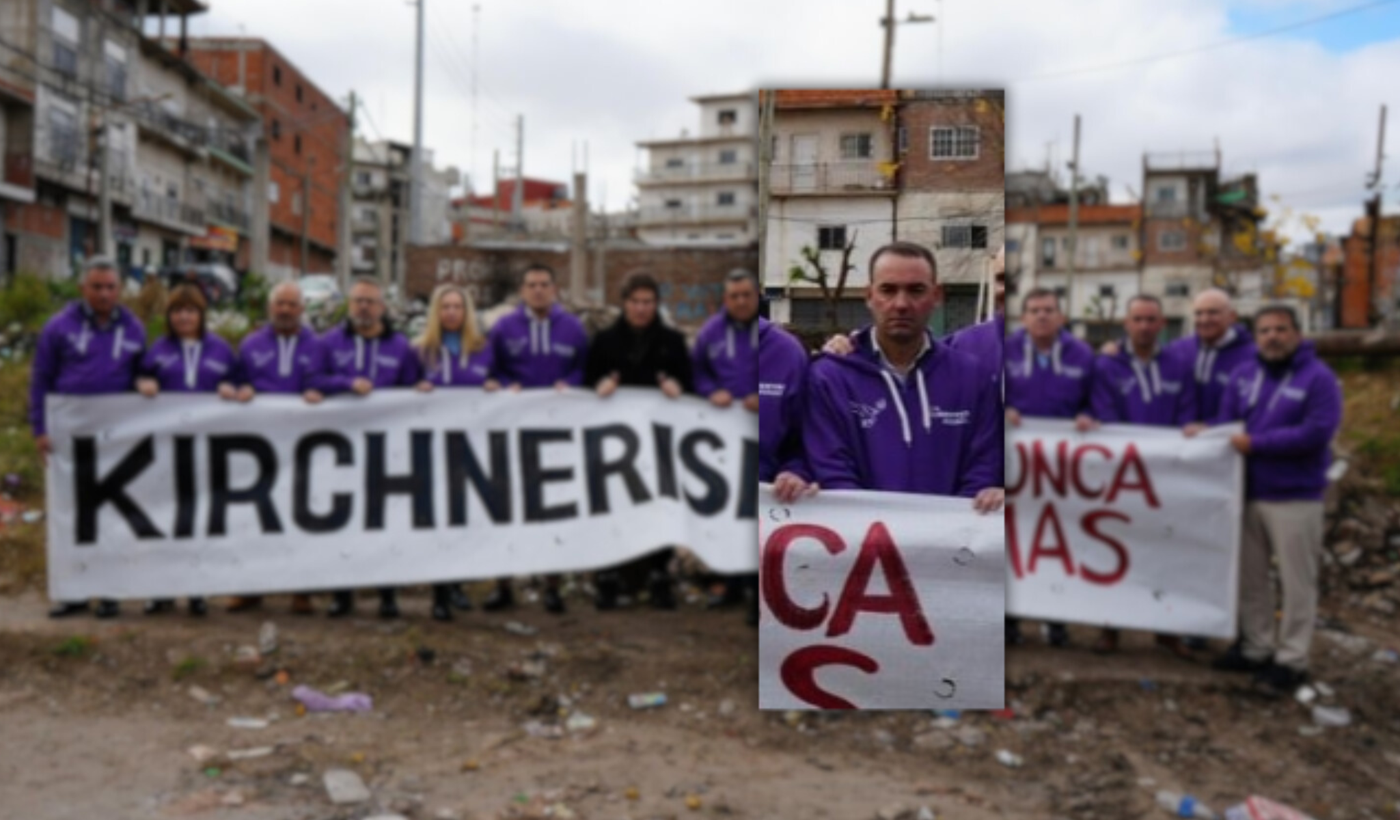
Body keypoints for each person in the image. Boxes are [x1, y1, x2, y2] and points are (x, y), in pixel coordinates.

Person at [1193, 306, 1341, 693]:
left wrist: (1257, 444)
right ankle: (1256, 646)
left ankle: (1292, 658)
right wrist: (1204, 432)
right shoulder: (1244, 375)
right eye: (1264, 330)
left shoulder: (1319, 379)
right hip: (1245, 494)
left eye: (1280, 329)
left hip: (1295, 496)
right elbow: (1227, 423)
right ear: (1255, 336)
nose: (1272, 336)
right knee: (1251, 577)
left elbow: (1316, 432)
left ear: (1297, 332)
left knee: (1296, 582)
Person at [803, 241, 1003, 510]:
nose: (901, 304)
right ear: (869, 295)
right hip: (863, 545)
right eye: (888, 289)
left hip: (953, 546)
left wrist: (952, 530)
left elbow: (983, 468)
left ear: (937, 295)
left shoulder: (974, 376)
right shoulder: (828, 377)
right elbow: (832, 472)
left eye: (916, 290)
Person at [30, 256, 147, 619]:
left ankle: (110, 591)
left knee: (112, 515)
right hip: (69, 436)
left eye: (111, 287)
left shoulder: (134, 328)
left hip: (115, 436)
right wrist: (39, 429)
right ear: (83, 288)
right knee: (72, 514)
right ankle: (75, 592)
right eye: (97, 286)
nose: (104, 294)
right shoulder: (58, 327)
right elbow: (41, 379)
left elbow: (143, 373)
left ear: (120, 290)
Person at [1088, 294, 1197, 655]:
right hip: (1121, 475)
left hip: (1165, 476)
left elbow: (1187, 413)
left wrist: (1174, 450)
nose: (1145, 326)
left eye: (1152, 319)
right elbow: (1104, 413)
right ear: (1126, 323)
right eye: (1138, 319)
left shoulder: (1179, 365)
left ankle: (1166, 629)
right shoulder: (1107, 366)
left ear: (1162, 324)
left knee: (1164, 552)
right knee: (1115, 551)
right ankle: (1111, 627)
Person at [482, 263, 588, 614]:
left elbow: (585, 370)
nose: (538, 290)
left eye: (544, 284)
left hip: (558, 436)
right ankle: (503, 584)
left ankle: (552, 587)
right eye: (532, 285)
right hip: (513, 433)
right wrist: (499, 384)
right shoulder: (504, 328)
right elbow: (489, 369)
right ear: (523, 291)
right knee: (508, 508)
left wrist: (569, 385)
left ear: (554, 289)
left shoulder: (572, 329)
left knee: (553, 510)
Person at [584, 272, 694, 610]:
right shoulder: (604, 341)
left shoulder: (673, 342)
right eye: (635, 302)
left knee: (659, 508)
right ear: (625, 303)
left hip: (658, 443)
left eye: (648, 302)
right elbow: (585, 387)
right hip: (613, 445)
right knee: (612, 508)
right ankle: (608, 575)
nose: (642, 308)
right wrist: (598, 390)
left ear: (656, 304)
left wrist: (679, 391)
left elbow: (691, 389)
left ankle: (660, 576)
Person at [225, 280, 334, 615]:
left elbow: (326, 380)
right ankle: (251, 588)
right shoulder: (251, 343)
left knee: (300, 516)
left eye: (292, 304)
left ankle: (301, 590)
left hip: (302, 446)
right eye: (280, 304)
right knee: (254, 517)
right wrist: (240, 388)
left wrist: (320, 392)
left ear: (302, 310)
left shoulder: (317, 345)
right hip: (259, 447)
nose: (285, 310)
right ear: (270, 308)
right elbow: (236, 378)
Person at [135, 284, 243, 617]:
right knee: (162, 518)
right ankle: (160, 589)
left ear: (201, 315)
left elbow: (242, 384)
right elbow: (137, 379)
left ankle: (197, 588)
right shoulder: (158, 350)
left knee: (198, 519)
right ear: (169, 316)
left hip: (205, 450)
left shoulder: (221, 350)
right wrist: (141, 384)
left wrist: (234, 389)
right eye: (177, 311)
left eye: (191, 310)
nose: (184, 316)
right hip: (165, 450)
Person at [320, 276, 422, 619]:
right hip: (342, 448)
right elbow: (313, 379)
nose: (364, 307)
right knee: (343, 520)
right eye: (358, 301)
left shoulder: (401, 346)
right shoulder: (330, 342)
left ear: (382, 307)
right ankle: (342, 592)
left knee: (385, 521)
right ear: (349, 305)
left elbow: (411, 385)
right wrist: (346, 383)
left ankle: (387, 592)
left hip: (386, 447)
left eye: (370, 301)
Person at [1004, 286, 1097, 648]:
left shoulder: (1083, 355)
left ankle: (1056, 619)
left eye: (1048, 310)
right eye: (1034, 310)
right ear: (1023, 317)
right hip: (1017, 468)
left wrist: (1090, 416)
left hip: (1064, 470)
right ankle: (1010, 620)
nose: (1042, 316)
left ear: (1061, 316)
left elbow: (1098, 401)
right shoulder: (1006, 351)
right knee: (1016, 545)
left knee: (1060, 545)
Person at [413, 283, 500, 621]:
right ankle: (438, 592)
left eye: (457, 307)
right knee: (438, 519)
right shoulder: (420, 351)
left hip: (472, 449)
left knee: (466, 517)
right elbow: (397, 393)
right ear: (436, 312)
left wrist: (497, 387)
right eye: (445, 307)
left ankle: (458, 585)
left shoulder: (484, 349)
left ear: (466, 312)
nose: (451, 312)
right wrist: (413, 389)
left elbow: (502, 381)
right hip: (432, 449)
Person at [692, 269, 763, 614]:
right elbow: (696, 372)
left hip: (763, 439)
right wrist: (711, 391)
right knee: (726, 513)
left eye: (745, 295)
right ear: (725, 299)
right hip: (723, 439)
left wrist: (762, 396)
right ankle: (729, 584)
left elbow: (786, 377)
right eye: (733, 296)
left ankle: (756, 591)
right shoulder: (710, 333)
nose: (740, 301)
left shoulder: (771, 336)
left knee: (756, 515)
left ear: (756, 295)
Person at [1165, 288, 1256, 423]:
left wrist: (1209, 426)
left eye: (1213, 312)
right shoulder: (1176, 349)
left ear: (1232, 316)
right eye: (1198, 313)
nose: (1204, 319)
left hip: (1227, 439)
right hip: (1180, 438)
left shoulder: (1253, 355)